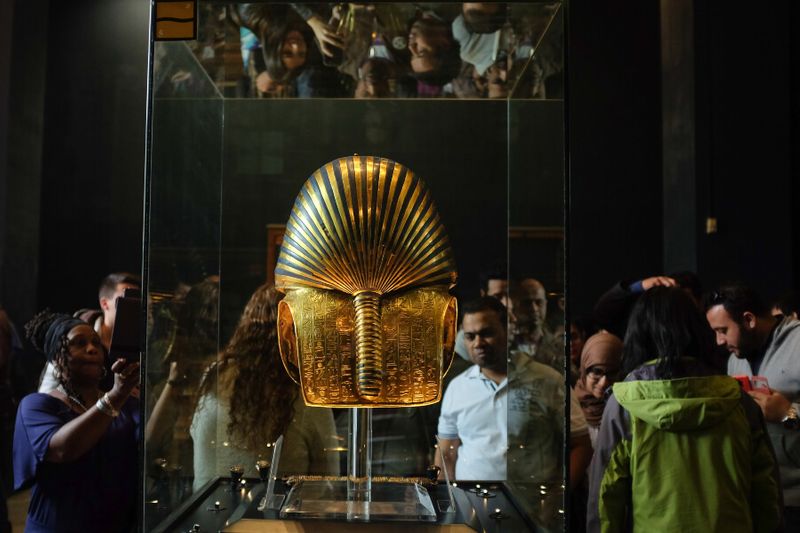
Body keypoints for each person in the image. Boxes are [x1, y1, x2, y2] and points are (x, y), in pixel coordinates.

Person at [588, 287, 782, 533]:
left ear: (639, 334)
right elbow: (767, 491)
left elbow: (605, 496)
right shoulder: (738, 401)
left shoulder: (624, 404)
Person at [190, 284, 338, 490]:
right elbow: (330, 476)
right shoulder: (302, 390)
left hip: (206, 515)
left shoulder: (215, 374)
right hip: (275, 520)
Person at [14, 310, 140, 533]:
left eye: (95, 343)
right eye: (79, 343)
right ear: (57, 357)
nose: (92, 348)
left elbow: (152, 440)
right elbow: (63, 449)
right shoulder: (37, 405)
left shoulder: (126, 403)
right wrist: (116, 396)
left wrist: (170, 382)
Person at [436, 297, 565, 483]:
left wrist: (558, 495)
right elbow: (445, 454)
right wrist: (448, 503)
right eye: (470, 336)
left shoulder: (547, 379)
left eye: (486, 333)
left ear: (507, 330)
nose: (478, 343)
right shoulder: (457, 387)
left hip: (532, 506)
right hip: (471, 503)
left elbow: (578, 443)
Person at [705, 282, 800, 528]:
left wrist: (788, 414)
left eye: (723, 330)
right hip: (758, 493)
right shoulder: (735, 360)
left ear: (748, 320)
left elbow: (786, 414)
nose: (719, 341)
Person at [39, 272, 140, 393]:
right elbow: (47, 393)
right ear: (105, 304)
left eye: (137, 302)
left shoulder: (139, 343)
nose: (132, 307)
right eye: (126, 299)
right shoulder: (70, 338)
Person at [573, 331, 623, 447]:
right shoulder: (571, 406)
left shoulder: (625, 412)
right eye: (597, 372)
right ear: (584, 369)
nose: (604, 382)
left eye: (612, 373)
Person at [512, 277, 562, 372]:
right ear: (515, 305)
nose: (534, 309)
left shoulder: (559, 347)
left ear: (546, 304)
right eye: (527, 303)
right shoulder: (504, 345)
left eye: (539, 302)